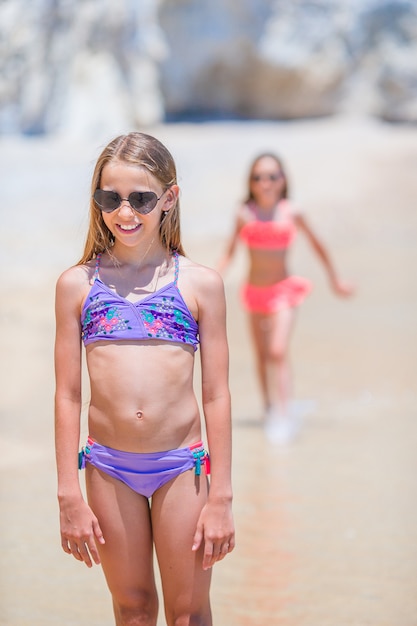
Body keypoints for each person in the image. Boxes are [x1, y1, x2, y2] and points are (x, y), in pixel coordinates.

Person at [54, 132, 235, 626]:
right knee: (133, 610)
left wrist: (221, 498)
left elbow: (216, 395)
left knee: (187, 612)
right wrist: (68, 492)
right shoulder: (77, 285)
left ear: (169, 199)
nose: (125, 212)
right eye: (110, 198)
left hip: (183, 468)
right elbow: (68, 396)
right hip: (108, 468)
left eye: (141, 198)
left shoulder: (199, 285)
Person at [218, 152, 354, 444]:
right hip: (254, 292)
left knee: (278, 351)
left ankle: (283, 415)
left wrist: (336, 279)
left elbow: (318, 245)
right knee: (261, 355)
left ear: (283, 180)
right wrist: (209, 280)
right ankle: (269, 408)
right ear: (250, 183)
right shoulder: (244, 213)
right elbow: (229, 254)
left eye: (272, 176)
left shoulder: (292, 211)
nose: (265, 183)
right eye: (258, 177)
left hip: (283, 291)